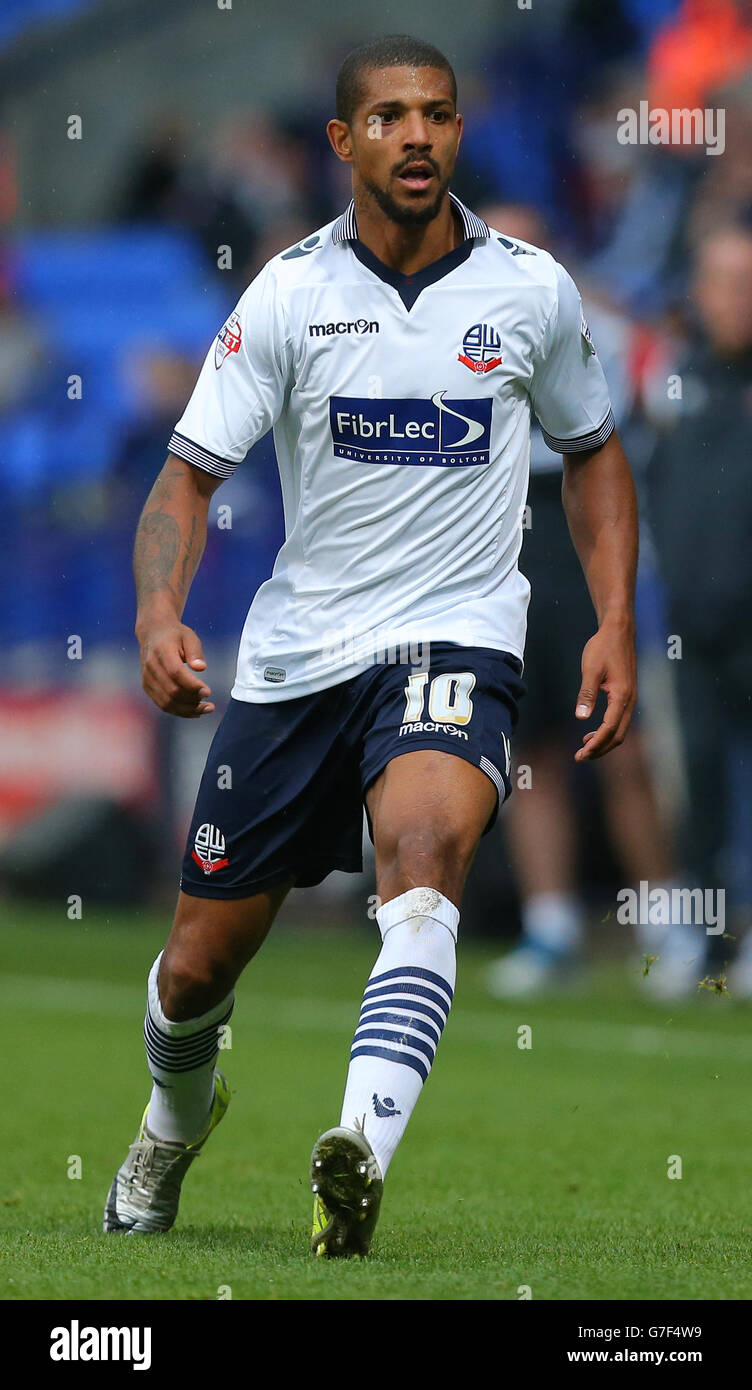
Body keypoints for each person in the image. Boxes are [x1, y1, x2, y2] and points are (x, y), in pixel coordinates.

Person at [104, 34, 638, 1259]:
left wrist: (611, 619)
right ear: (342, 141)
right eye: (389, 117)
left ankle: (354, 1156)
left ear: (458, 133)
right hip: (300, 656)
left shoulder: (528, 289)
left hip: (457, 633)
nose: (417, 136)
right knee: (194, 970)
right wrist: (154, 612)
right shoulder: (289, 293)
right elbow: (184, 482)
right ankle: (171, 1122)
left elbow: (594, 447)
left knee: (423, 854)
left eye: (438, 116)